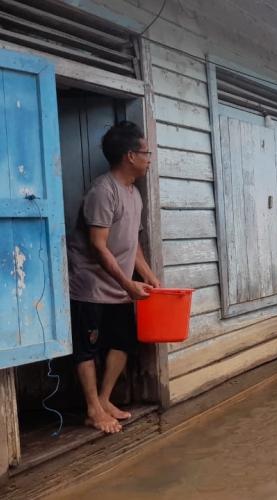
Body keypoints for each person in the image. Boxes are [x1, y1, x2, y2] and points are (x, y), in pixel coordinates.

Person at [67, 121, 160, 434]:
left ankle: (104, 399)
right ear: (130, 156)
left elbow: (133, 245)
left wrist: (151, 278)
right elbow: (98, 246)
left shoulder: (134, 194)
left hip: (120, 285)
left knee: (122, 342)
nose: (149, 158)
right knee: (87, 348)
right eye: (146, 153)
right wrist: (128, 284)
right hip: (90, 285)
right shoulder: (102, 192)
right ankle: (93, 410)